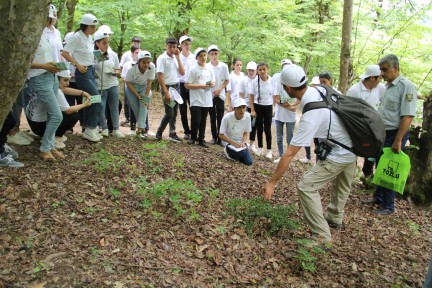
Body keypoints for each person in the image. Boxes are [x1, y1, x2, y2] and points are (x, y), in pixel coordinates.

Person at [263, 64, 357, 245]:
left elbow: (290, 153)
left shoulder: (311, 113)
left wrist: (272, 182)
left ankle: (321, 237)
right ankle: (335, 217)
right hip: (353, 145)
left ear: (288, 88)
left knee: (306, 186)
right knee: (342, 182)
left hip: (340, 152)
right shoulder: (320, 89)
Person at [367, 54, 417, 215]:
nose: (382, 73)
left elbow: (408, 116)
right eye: (381, 70)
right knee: (380, 164)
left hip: (395, 134)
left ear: (395, 68)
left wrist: (399, 139)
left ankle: (389, 206)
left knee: (389, 168)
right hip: (382, 133)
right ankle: (379, 197)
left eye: (385, 69)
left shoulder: (406, 86)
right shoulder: (388, 86)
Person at [23, 13, 64, 161]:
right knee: (57, 115)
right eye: (47, 19)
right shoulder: (29, 35)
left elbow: (47, 56)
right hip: (38, 78)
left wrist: (53, 65)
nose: (49, 22)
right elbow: (24, 62)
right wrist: (44, 66)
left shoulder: (44, 35)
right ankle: (44, 148)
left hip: (50, 76)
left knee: (50, 114)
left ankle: (50, 144)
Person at [61, 14, 103, 143]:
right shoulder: (77, 37)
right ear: (85, 25)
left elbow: (89, 54)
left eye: (95, 27)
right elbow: (65, 53)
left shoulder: (89, 38)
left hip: (90, 71)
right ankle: (90, 129)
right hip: (83, 74)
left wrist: (99, 56)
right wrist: (77, 65)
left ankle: (89, 128)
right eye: (91, 27)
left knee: (93, 100)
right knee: (97, 100)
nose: (94, 29)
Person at [26, 70, 91, 149]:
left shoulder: (45, 85)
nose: (68, 83)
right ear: (57, 79)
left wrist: (82, 93)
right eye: (65, 80)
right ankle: (54, 137)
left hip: (32, 121)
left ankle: (49, 136)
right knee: (73, 116)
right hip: (39, 127)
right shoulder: (57, 92)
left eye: (68, 80)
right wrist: (85, 104)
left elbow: (64, 90)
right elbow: (68, 110)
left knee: (60, 111)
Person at [346, 64, 385, 179]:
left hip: (374, 127)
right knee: (355, 147)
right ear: (372, 78)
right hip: (358, 127)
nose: (381, 80)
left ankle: (367, 173)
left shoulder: (380, 88)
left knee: (373, 150)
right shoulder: (354, 90)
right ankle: (350, 172)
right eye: (379, 77)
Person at [93, 30, 125, 138]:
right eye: (104, 43)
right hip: (99, 84)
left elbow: (117, 69)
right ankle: (104, 128)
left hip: (112, 84)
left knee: (114, 106)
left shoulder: (113, 55)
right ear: (97, 43)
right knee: (101, 106)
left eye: (108, 43)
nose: (107, 45)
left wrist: (116, 73)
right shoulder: (93, 55)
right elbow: (90, 69)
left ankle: (116, 129)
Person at [154, 37, 185, 142]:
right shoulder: (162, 58)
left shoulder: (175, 58)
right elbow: (160, 75)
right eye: (170, 47)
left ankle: (172, 133)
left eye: (174, 47)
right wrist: (165, 92)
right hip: (167, 87)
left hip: (176, 87)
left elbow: (182, 72)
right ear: (166, 46)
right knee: (169, 112)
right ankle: (159, 132)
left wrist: (178, 58)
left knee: (175, 111)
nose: (172, 49)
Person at [185, 47, 215, 148]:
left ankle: (201, 139)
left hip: (206, 98)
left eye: (204, 55)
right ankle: (193, 137)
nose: (203, 57)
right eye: (201, 56)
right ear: (196, 57)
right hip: (196, 98)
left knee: (203, 119)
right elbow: (187, 85)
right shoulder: (193, 69)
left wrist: (211, 84)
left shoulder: (209, 68)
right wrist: (200, 86)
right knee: (196, 119)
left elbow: (213, 81)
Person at [124, 51, 156, 139]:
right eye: (144, 62)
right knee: (135, 107)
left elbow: (149, 83)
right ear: (139, 61)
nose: (146, 65)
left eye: (148, 62)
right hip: (131, 87)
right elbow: (128, 82)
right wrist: (137, 96)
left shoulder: (152, 67)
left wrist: (145, 98)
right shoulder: (132, 68)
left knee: (144, 106)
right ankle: (141, 127)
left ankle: (141, 129)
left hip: (144, 87)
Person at [273, 59, 298, 164]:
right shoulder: (279, 82)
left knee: (290, 137)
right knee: (279, 137)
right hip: (279, 115)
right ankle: (281, 155)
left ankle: (289, 157)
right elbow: (276, 97)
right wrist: (287, 104)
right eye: (284, 67)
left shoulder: (296, 83)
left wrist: (289, 105)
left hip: (291, 115)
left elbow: (298, 101)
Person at [249, 62, 274, 160]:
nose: (262, 71)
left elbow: (275, 95)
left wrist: (273, 108)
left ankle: (269, 149)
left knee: (267, 129)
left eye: (264, 69)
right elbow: (251, 96)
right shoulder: (255, 81)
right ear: (258, 71)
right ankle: (260, 147)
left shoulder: (272, 81)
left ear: (268, 69)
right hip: (258, 106)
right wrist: (253, 110)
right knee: (259, 128)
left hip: (268, 106)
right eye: (260, 70)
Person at [219, 98, 253, 166]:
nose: (242, 110)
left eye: (243, 107)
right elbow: (221, 135)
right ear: (234, 108)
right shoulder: (227, 117)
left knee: (249, 162)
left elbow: (246, 133)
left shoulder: (248, 117)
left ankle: (238, 154)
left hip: (240, 143)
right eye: (239, 107)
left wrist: (243, 142)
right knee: (242, 155)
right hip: (228, 142)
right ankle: (228, 151)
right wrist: (233, 143)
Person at [207, 45, 230, 145]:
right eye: (212, 54)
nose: (214, 56)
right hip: (210, 95)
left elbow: (227, 80)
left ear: (218, 54)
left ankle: (220, 137)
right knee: (212, 116)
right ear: (209, 55)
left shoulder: (224, 66)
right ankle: (214, 137)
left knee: (220, 116)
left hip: (220, 95)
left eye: (215, 53)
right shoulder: (207, 66)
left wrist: (220, 89)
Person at [120, 36, 141, 128]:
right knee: (127, 101)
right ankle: (127, 118)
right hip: (127, 81)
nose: (136, 43)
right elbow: (122, 66)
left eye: (138, 42)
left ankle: (137, 119)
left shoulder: (141, 53)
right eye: (135, 42)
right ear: (131, 42)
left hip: (139, 82)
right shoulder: (126, 55)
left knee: (138, 100)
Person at [178, 35, 195, 140]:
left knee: (193, 108)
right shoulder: (178, 57)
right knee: (182, 109)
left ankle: (193, 131)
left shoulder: (194, 57)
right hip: (180, 84)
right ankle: (186, 131)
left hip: (191, 85)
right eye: (185, 44)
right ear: (181, 45)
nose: (187, 46)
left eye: (189, 44)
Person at [239, 61, 258, 152]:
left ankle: (252, 144)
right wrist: (241, 106)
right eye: (249, 70)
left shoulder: (258, 80)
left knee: (254, 126)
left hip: (256, 106)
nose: (250, 72)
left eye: (252, 70)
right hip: (246, 106)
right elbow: (241, 94)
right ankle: (243, 142)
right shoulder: (243, 80)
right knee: (244, 125)